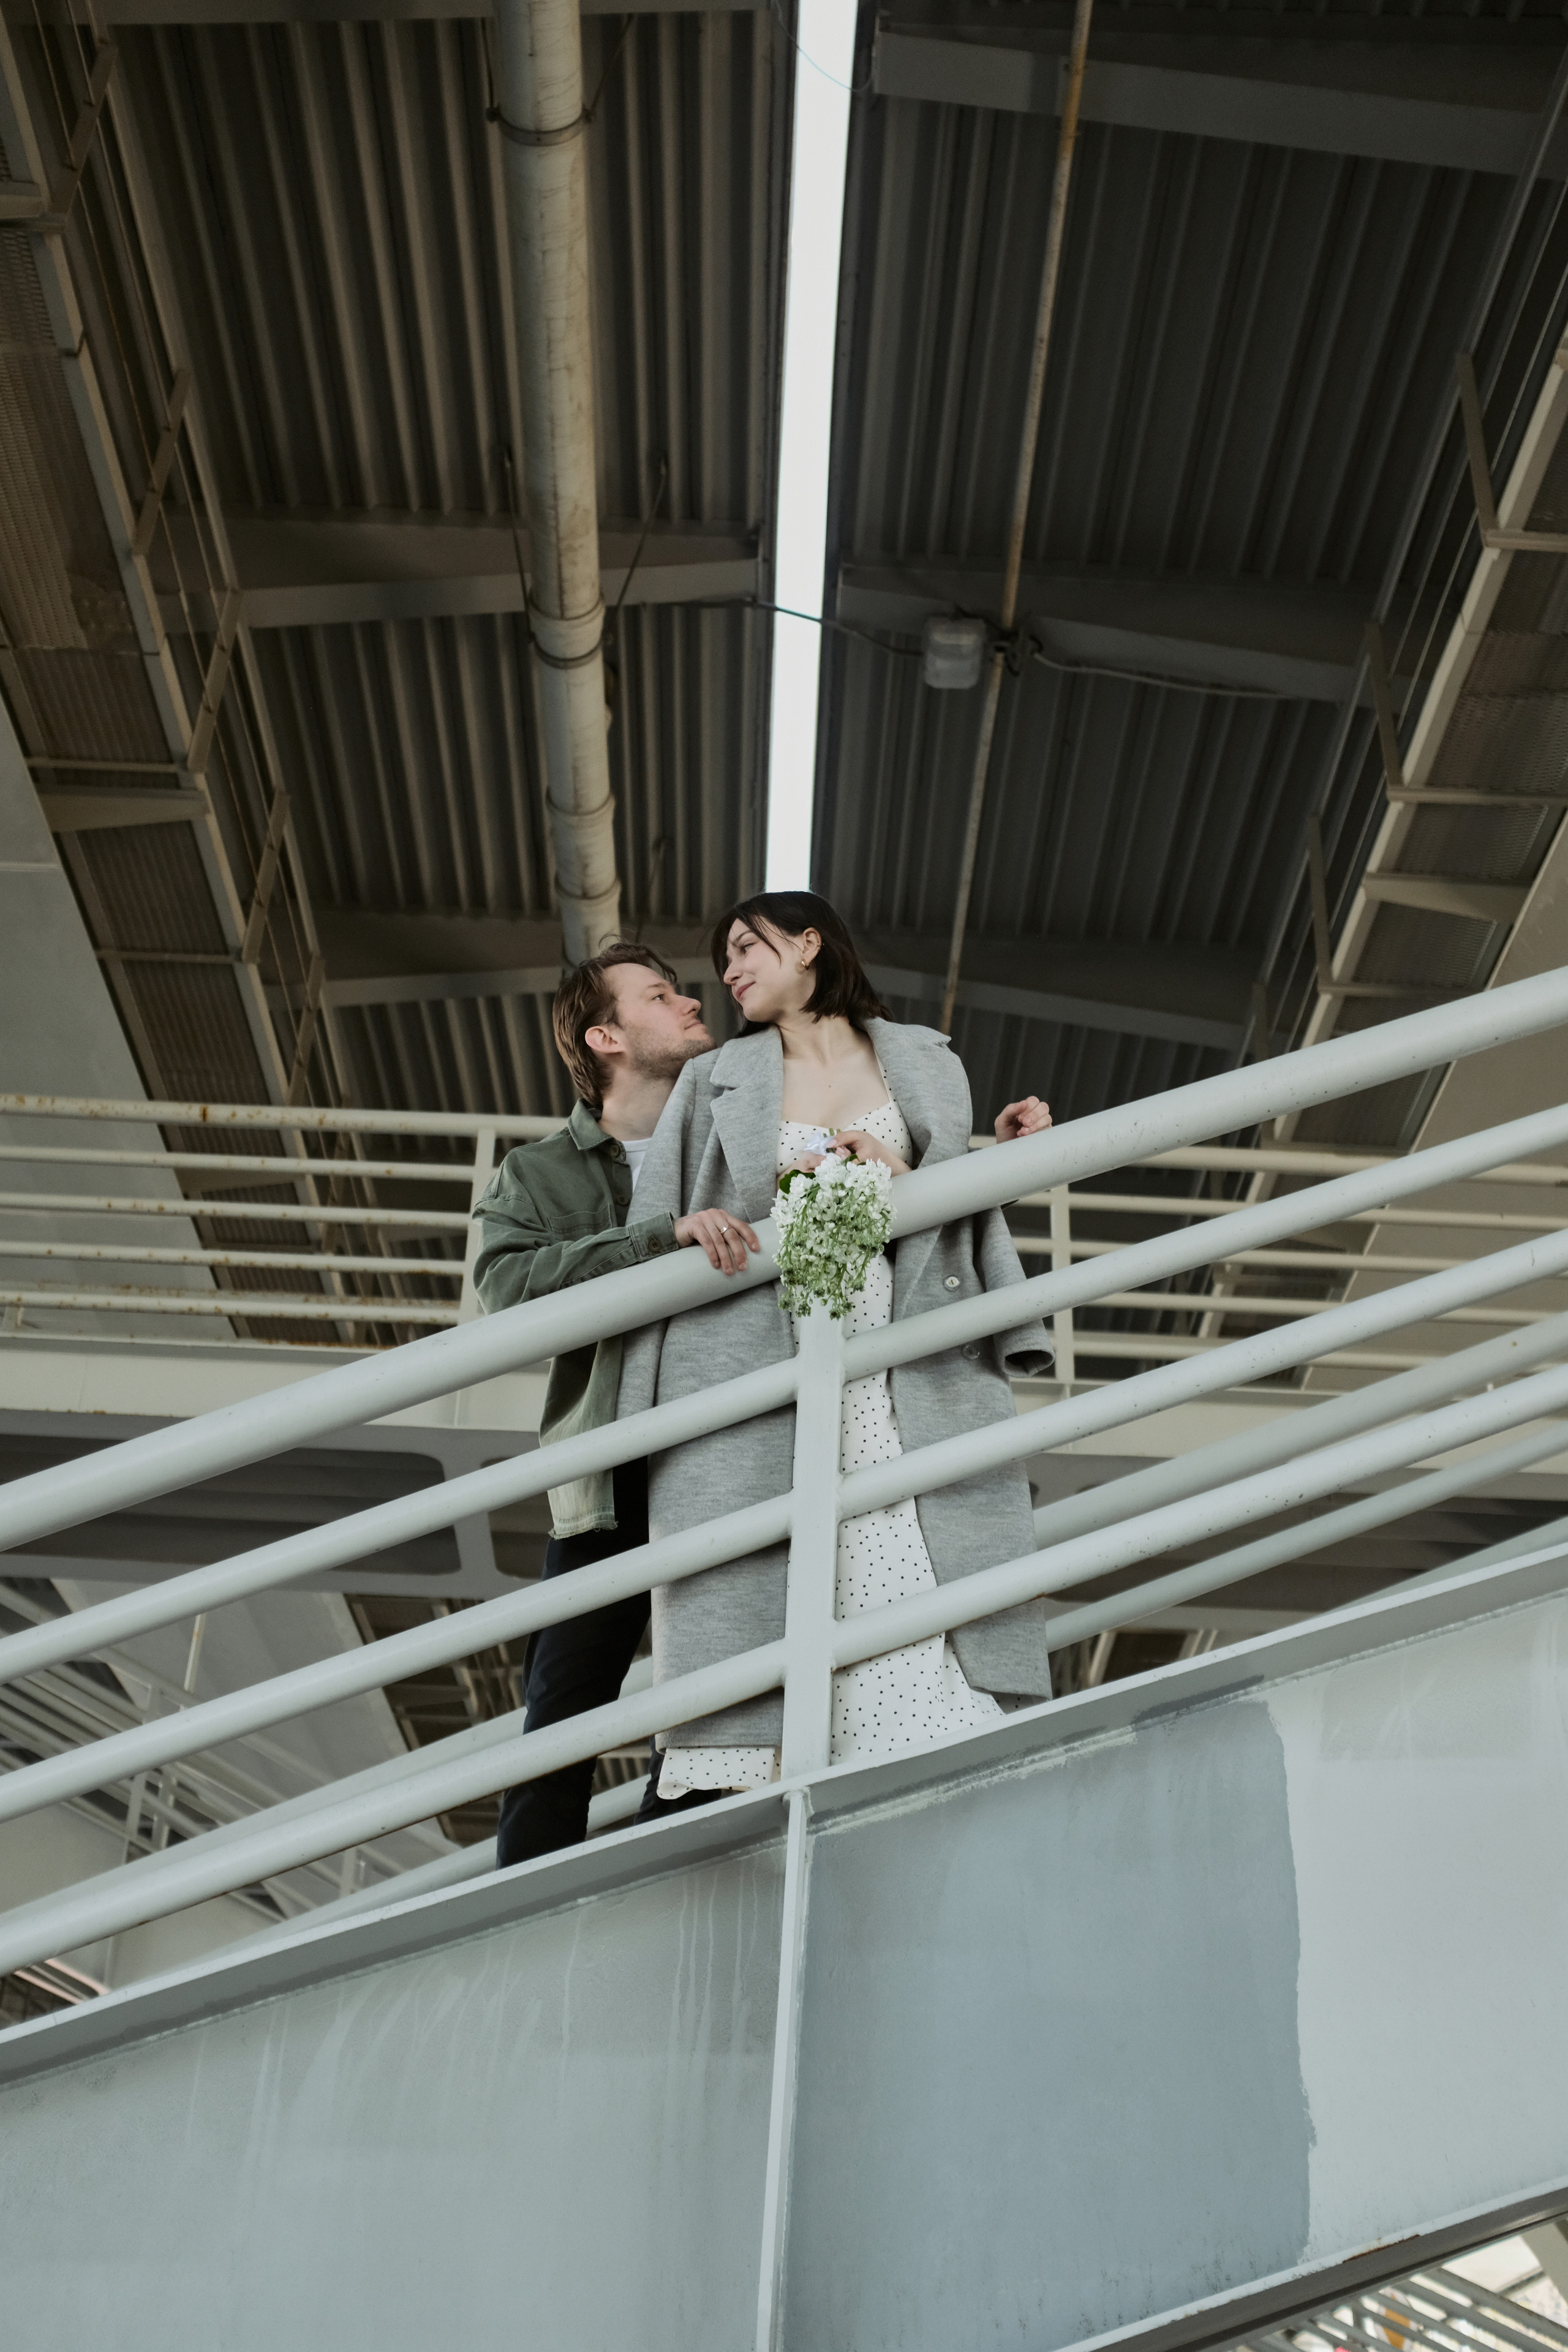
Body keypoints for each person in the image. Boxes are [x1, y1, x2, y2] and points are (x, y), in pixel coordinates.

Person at [617, 891, 1055, 1801]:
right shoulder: (717, 1077)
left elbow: (944, 1208)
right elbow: (654, 1219)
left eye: (746, 947)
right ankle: (775, 1774)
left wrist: (941, 1170)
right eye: (725, 956)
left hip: (908, 1350)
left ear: (809, 944)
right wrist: (735, 1209)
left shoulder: (926, 1060)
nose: (729, 971)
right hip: (759, 1354)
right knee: (770, 1563)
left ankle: (910, 1766)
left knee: (909, 1548)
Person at [472, 943, 762, 1866]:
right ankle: (516, 1912)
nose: (688, 1003)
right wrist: (654, 1242)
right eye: (659, 995)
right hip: (609, 1462)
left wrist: (996, 1147)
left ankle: (671, 1873)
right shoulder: (542, 1173)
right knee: (564, 1710)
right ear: (606, 1038)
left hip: (729, 1452)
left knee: (725, 1687)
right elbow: (506, 1289)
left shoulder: (739, 1134)